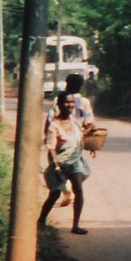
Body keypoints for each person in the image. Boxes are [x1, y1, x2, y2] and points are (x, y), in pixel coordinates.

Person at [40, 92, 91, 233]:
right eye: (66, 102)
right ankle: (41, 220)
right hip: (61, 164)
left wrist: (91, 140)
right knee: (54, 194)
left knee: (78, 191)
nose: (69, 105)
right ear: (59, 105)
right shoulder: (54, 125)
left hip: (75, 162)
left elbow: (79, 138)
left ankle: (75, 225)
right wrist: (56, 166)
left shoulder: (75, 121)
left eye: (71, 102)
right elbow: (51, 147)